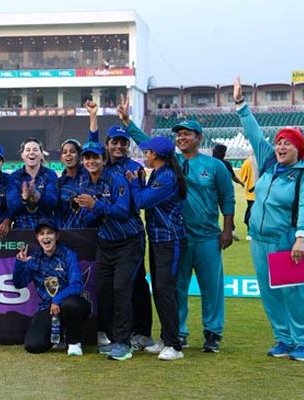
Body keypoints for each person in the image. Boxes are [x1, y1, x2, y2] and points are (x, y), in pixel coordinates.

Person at [121, 95, 235, 352]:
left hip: (207, 235)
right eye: (179, 135)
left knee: (211, 287)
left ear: (199, 137)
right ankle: (178, 332)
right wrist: (128, 122)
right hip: (179, 236)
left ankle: (212, 333)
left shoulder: (214, 166)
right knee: (176, 286)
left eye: (187, 134)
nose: (181, 138)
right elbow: (148, 145)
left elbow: (227, 198)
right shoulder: (173, 163)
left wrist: (227, 229)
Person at [234, 76, 304, 361]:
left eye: (287, 143)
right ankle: (284, 339)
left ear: (298, 150)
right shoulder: (268, 162)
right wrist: (240, 103)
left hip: (286, 241)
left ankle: (303, 341)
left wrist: (301, 238)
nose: (280, 147)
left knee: (293, 293)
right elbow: (253, 133)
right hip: (259, 241)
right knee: (270, 293)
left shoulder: (302, 173)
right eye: (278, 142)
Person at [91, 101, 153, 353]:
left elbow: (130, 206)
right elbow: (91, 146)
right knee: (113, 288)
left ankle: (141, 333)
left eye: (123, 142)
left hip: (130, 235)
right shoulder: (101, 164)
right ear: (107, 145)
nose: (118, 146)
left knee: (135, 285)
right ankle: (119, 335)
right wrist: (93, 117)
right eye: (114, 142)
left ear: (128, 146)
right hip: (108, 239)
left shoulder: (134, 169)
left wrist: (97, 206)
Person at [75, 139, 140, 361]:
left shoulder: (116, 179)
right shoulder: (84, 184)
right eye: (87, 158)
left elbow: (122, 211)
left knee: (121, 290)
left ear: (103, 159)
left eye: (95, 157)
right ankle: (114, 340)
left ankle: (124, 343)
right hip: (105, 244)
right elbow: (85, 218)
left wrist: (97, 206)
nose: (91, 161)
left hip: (128, 242)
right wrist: (94, 209)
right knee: (103, 291)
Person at [125, 136, 187, 361]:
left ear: (156, 155)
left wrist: (133, 182)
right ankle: (166, 338)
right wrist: (139, 183)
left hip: (169, 240)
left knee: (165, 290)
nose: (145, 155)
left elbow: (142, 201)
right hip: (160, 239)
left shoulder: (167, 177)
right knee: (160, 290)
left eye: (147, 152)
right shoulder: (161, 174)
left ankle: (174, 344)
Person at [13, 219, 91, 356]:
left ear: (57, 236)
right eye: (42, 234)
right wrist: (20, 263)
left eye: (50, 233)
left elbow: (76, 285)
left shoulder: (68, 255)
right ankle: (58, 335)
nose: (46, 237)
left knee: (71, 305)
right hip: (48, 309)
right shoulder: (35, 258)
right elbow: (19, 283)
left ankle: (74, 343)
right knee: (33, 345)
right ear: (37, 238)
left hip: (71, 305)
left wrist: (57, 300)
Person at [7, 138, 58, 229]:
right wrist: (24, 198)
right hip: (21, 229)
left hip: (45, 231)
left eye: (35, 150)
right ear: (22, 154)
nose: (31, 152)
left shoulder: (50, 175)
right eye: (28, 150)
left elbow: (52, 203)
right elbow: (12, 206)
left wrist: (36, 195)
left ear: (41, 154)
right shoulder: (14, 177)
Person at [238, 151, 257, 240]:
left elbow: (242, 178)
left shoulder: (248, 162)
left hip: (252, 195)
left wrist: (242, 183)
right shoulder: (264, 161)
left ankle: (251, 232)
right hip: (264, 194)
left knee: (249, 215)